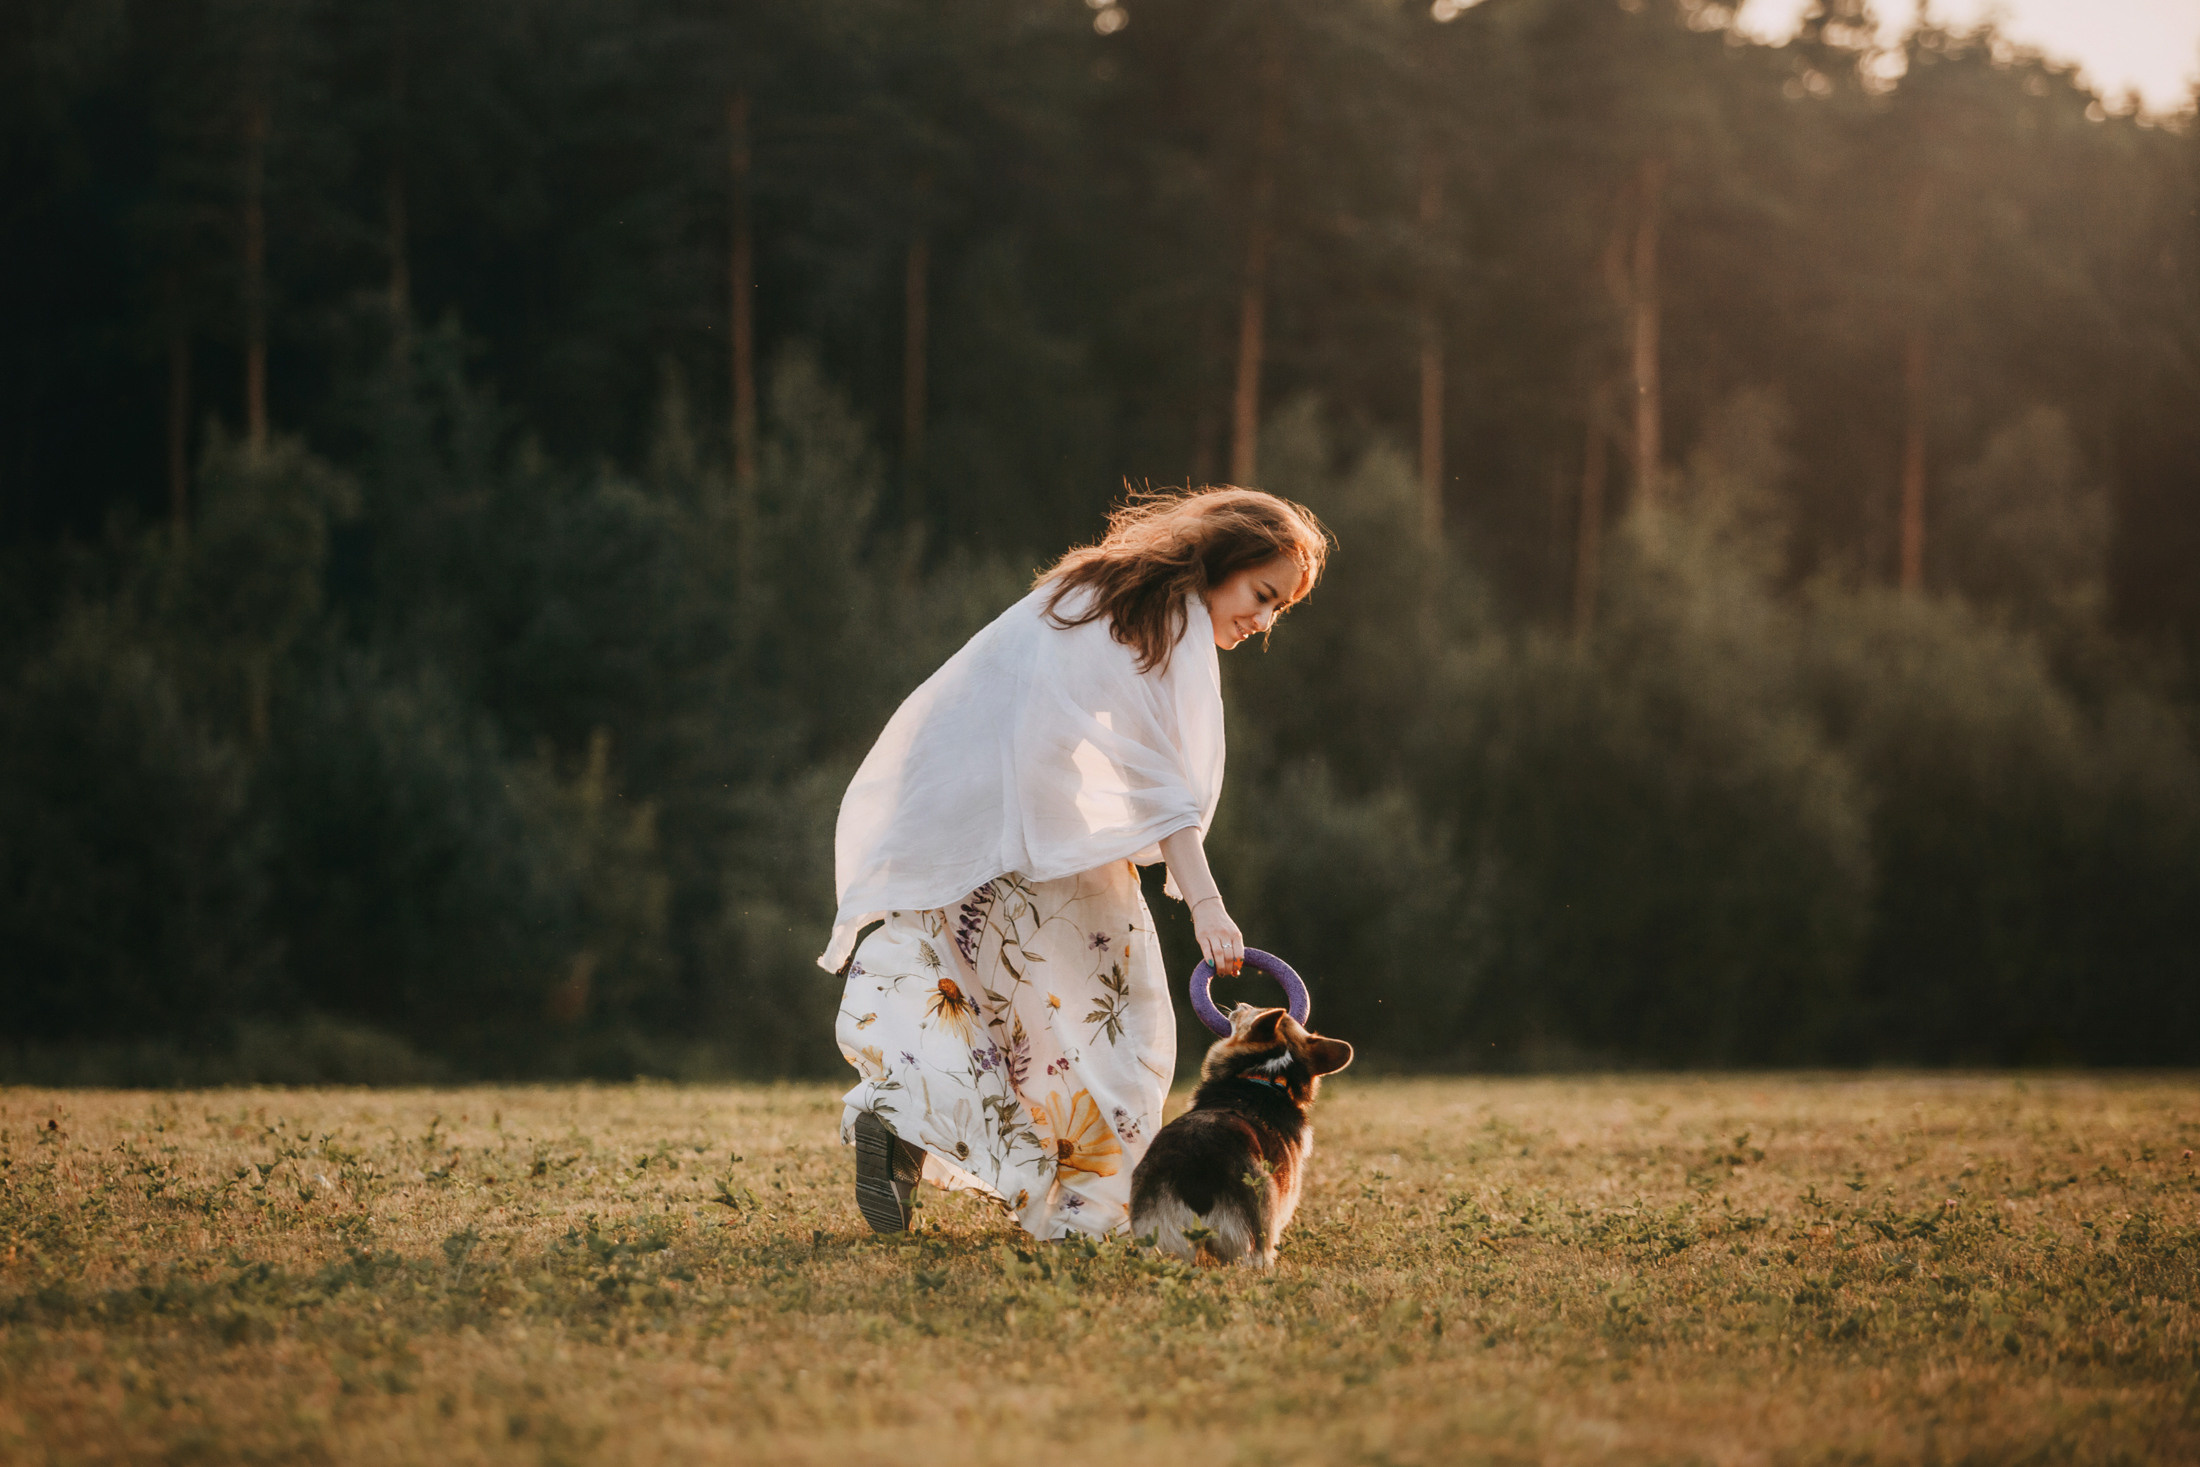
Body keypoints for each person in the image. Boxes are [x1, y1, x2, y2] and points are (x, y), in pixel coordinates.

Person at [821, 486, 1330, 1239]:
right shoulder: (1170, 620)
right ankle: (1087, 1212)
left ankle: (898, 1119)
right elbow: (1163, 787)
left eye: (1278, 610)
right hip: (1042, 851)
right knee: (1122, 1033)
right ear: (1224, 560)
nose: (1262, 622)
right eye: (1262, 595)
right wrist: (1207, 906)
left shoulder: (1096, 587)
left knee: (988, 1012)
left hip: (972, 841)